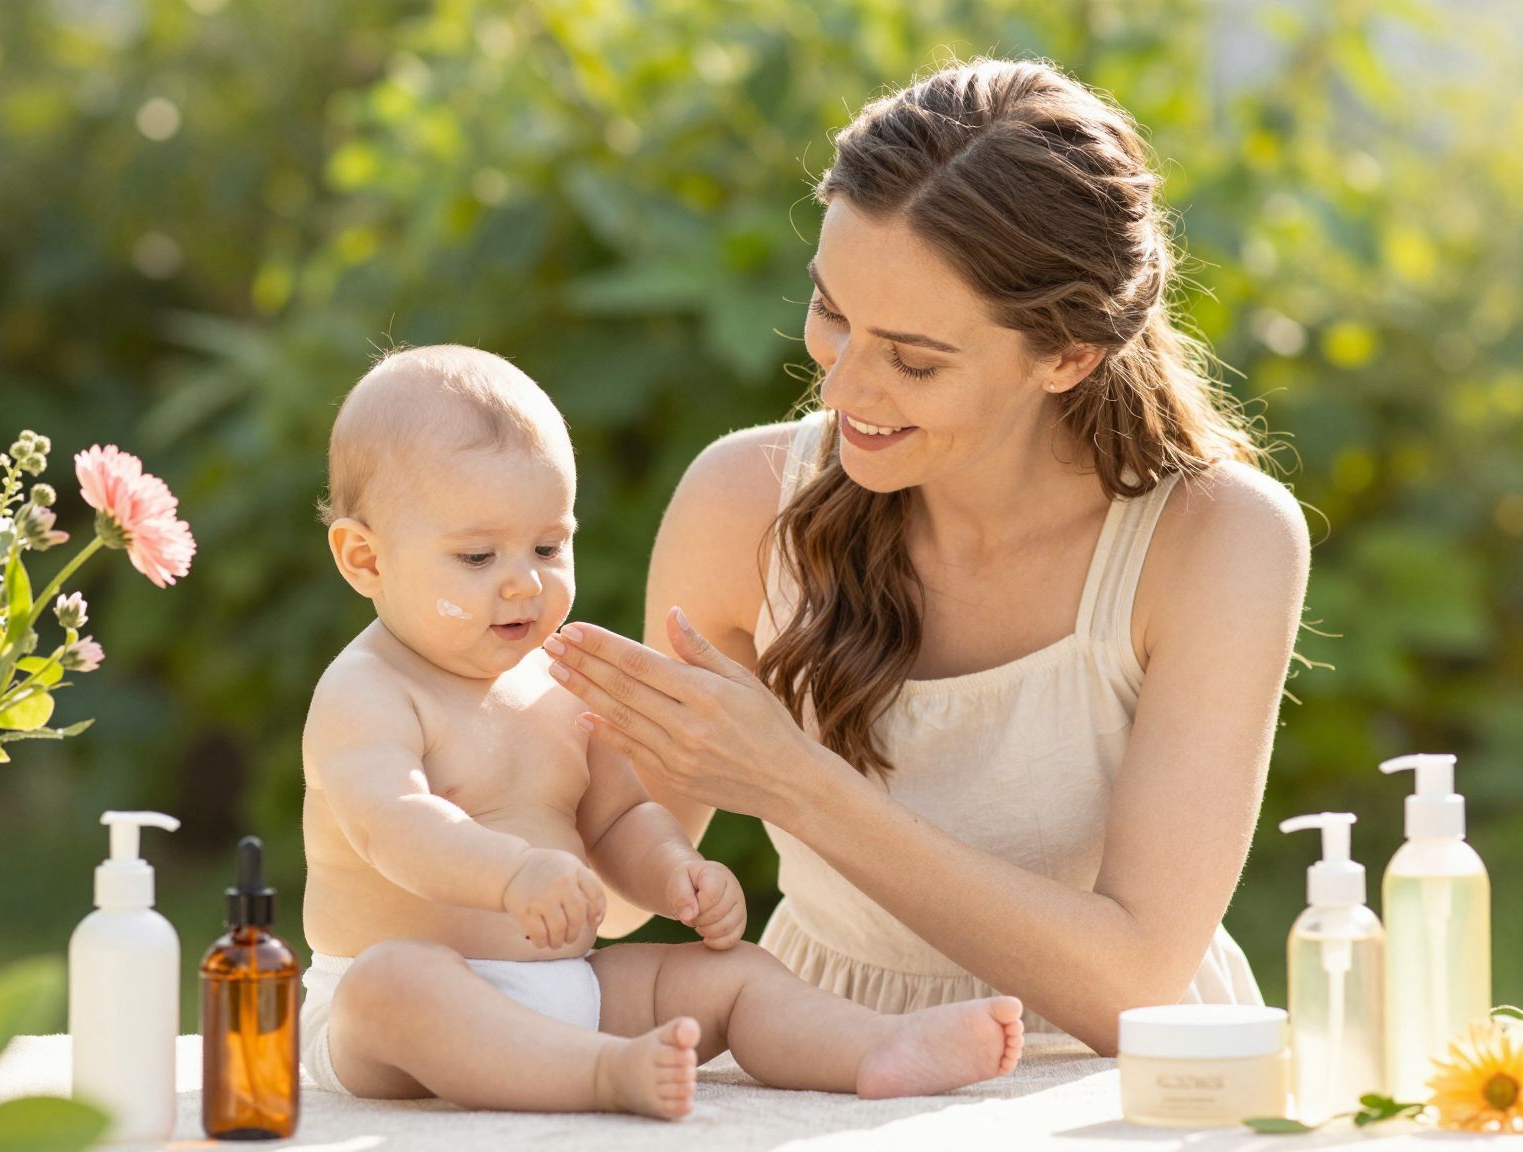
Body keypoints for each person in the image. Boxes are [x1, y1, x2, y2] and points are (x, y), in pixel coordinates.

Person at [544, 58, 1312, 1056]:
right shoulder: (739, 507)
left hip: (1120, 1081)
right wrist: (476, 772)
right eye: (831, 314)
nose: (842, 390)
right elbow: (611, 891)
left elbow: (1133, 983)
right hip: (824, 1053)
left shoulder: (1215, 539)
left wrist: (796, 785)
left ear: (1066, 355)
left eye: (913, 360)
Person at [298, 344, 1025, 1118]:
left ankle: (873, 1047)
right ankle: (603, 1076)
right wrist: (511, 876)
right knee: (397, 983)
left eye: (548, 546)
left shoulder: (556, 674)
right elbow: (394, 825)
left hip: (566, 988)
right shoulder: (369, 691)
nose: (525, 581)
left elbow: (618, 817)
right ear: (365, 559)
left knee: (733, 973)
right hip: (397, 1019)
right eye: (477, 556)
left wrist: (675, 871)